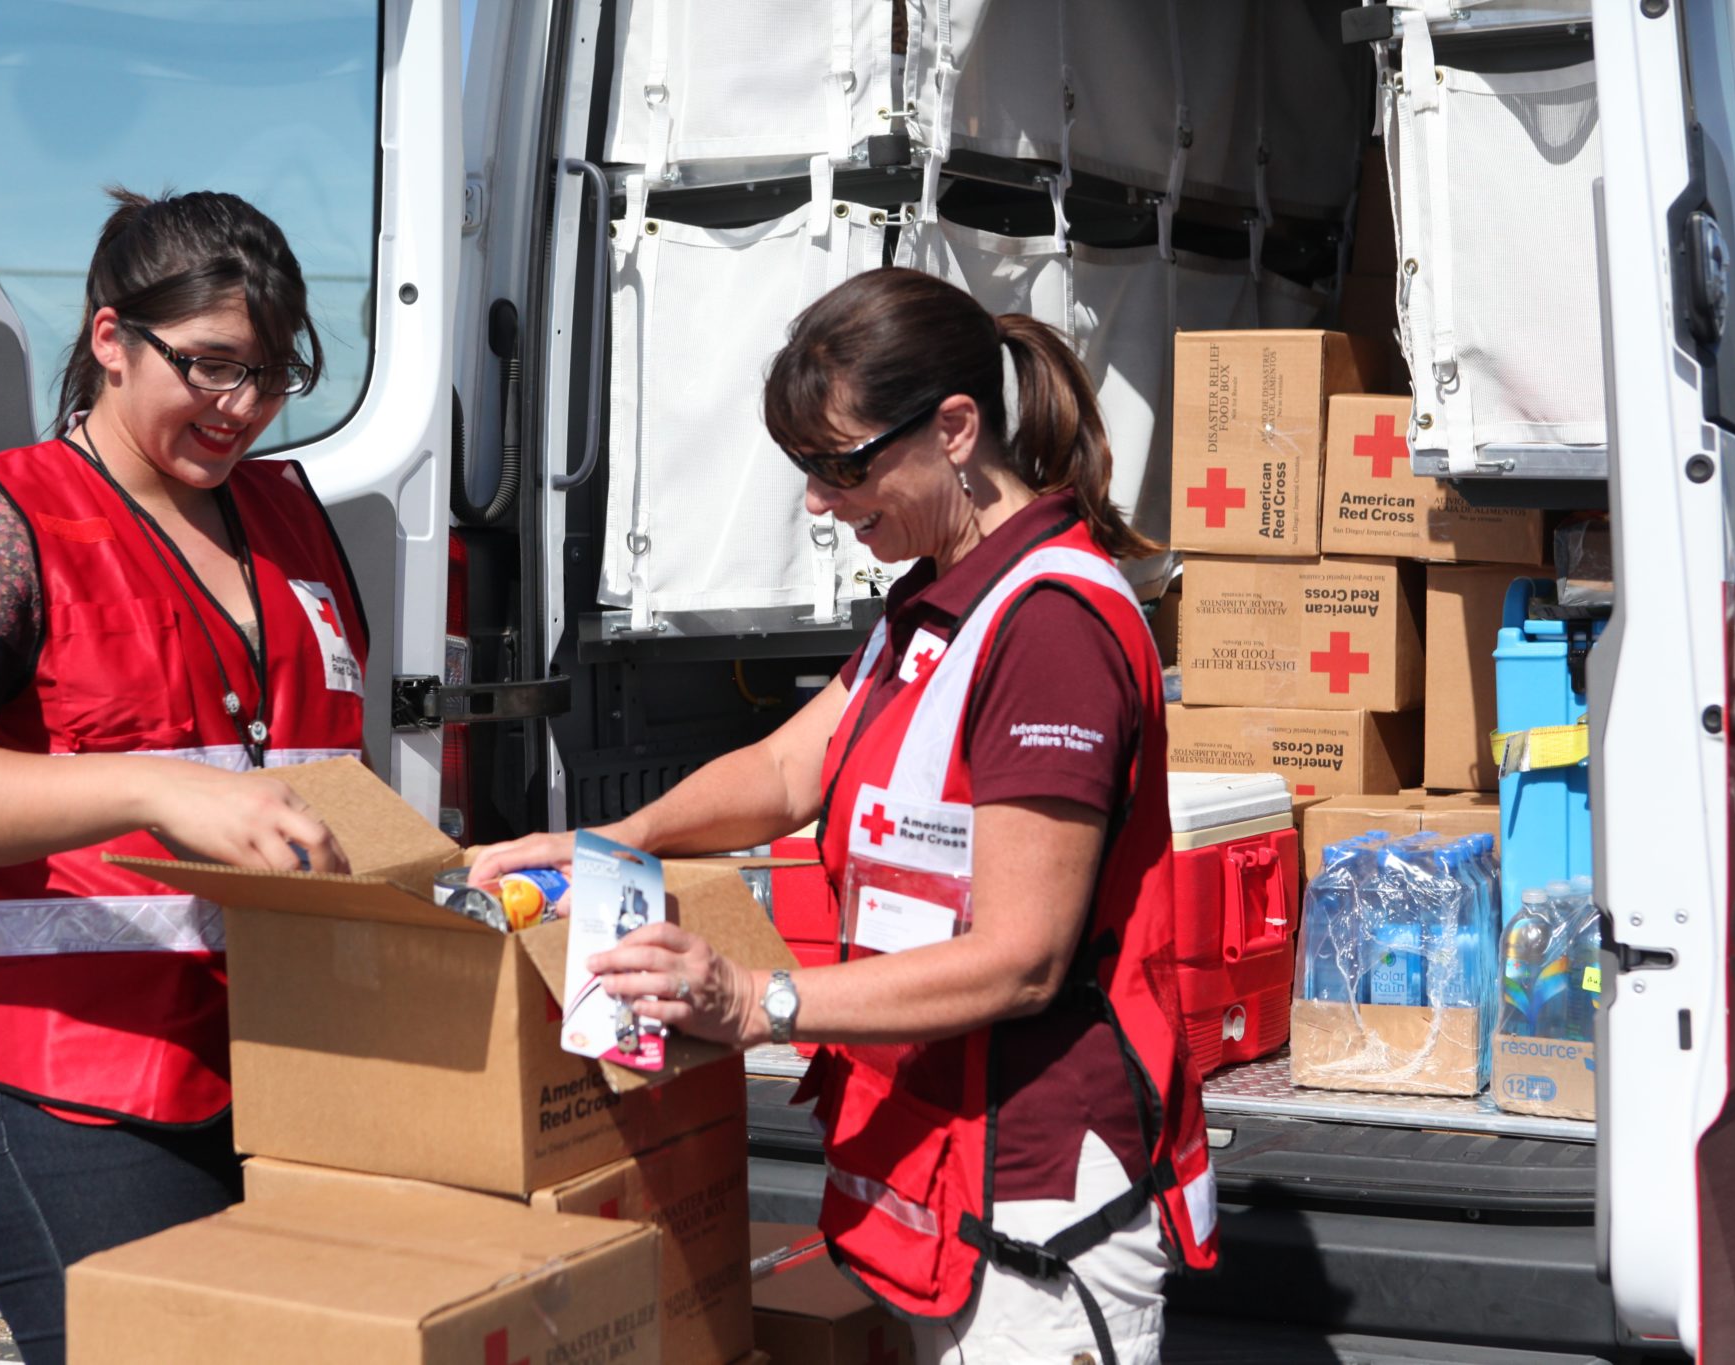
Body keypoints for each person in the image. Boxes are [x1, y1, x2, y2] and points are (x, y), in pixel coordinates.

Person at [471, 267, 1216, 1365]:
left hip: (1039, 1191)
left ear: (955, 429)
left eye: (841, 465)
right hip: (950, 1158)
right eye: (804, 472)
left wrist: (753, 999)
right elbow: (784, 770)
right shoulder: (935, 600)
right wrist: (612, 842)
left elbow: (1021, 959)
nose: (819, 502)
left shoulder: (1048, 626)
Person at [0, 189, 369, 1363]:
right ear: (108, 339)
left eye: (275, 375)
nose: (244, 409)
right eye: (212, 367)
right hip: (78, 1102)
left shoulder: (293, 521)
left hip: (294, 1076)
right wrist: (156, 787)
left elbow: (316, 768)